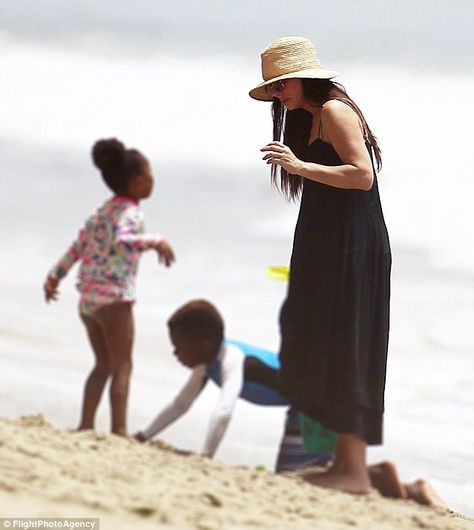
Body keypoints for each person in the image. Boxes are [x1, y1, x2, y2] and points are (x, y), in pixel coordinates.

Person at [249, 36, 392, 494]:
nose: (276, 96)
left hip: (353, 245)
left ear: (300, 76)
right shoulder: (309, 118)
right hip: (329, 245)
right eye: (271, 89)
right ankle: (355, 469)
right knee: (327, 344)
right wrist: (298, 165)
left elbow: (362, 174)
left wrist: (300, 167)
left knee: (349, 346)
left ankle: (352, 473)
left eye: (279, 85)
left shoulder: (334, 110)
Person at [43, 138, 175, 437]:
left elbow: (76, 247)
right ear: (139, 182)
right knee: (122, 366)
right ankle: (119, 430)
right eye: (150, 174)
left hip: (88, 300)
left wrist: (54, 278)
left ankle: (86, 424)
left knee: (102, 365)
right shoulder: (131, 213)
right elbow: (123, 240)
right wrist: (156, 241)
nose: (153, 179)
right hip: (114, 299)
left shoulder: (99, 213)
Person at [135, 299, 335, 467]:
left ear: (203, 345)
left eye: (178, 347)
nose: (175, 353)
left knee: (306, 468)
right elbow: (181, 404)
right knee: (294, 471)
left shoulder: (233, 359)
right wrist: (144, 436)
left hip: (317, 400)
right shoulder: (206, 363)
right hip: (304, 403)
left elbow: (224, 411)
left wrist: (206, 456)